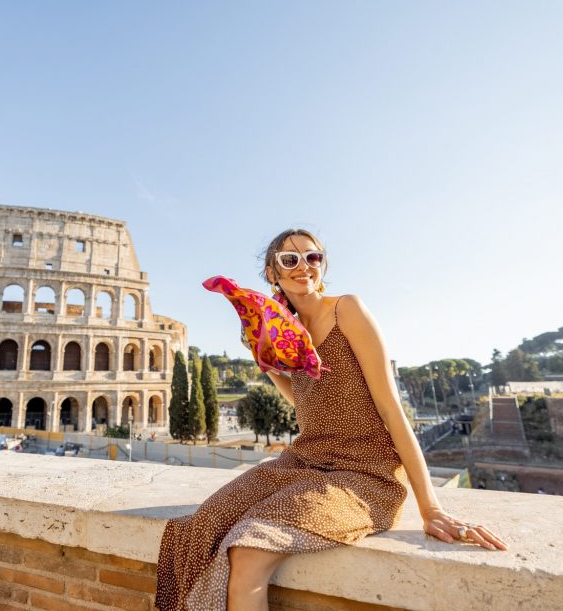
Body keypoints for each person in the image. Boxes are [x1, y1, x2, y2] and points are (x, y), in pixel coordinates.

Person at [155, 230, 507, 611]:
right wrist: (265, 359)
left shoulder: (347, 310)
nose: (303, 266)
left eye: (313, 257)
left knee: (248, 548)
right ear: (272, 273)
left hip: (366, 475)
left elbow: (391, 409)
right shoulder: (286, 332)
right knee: (202, 525)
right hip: (304, 463)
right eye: (290, 260)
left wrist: (430, 509)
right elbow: (308, 401)